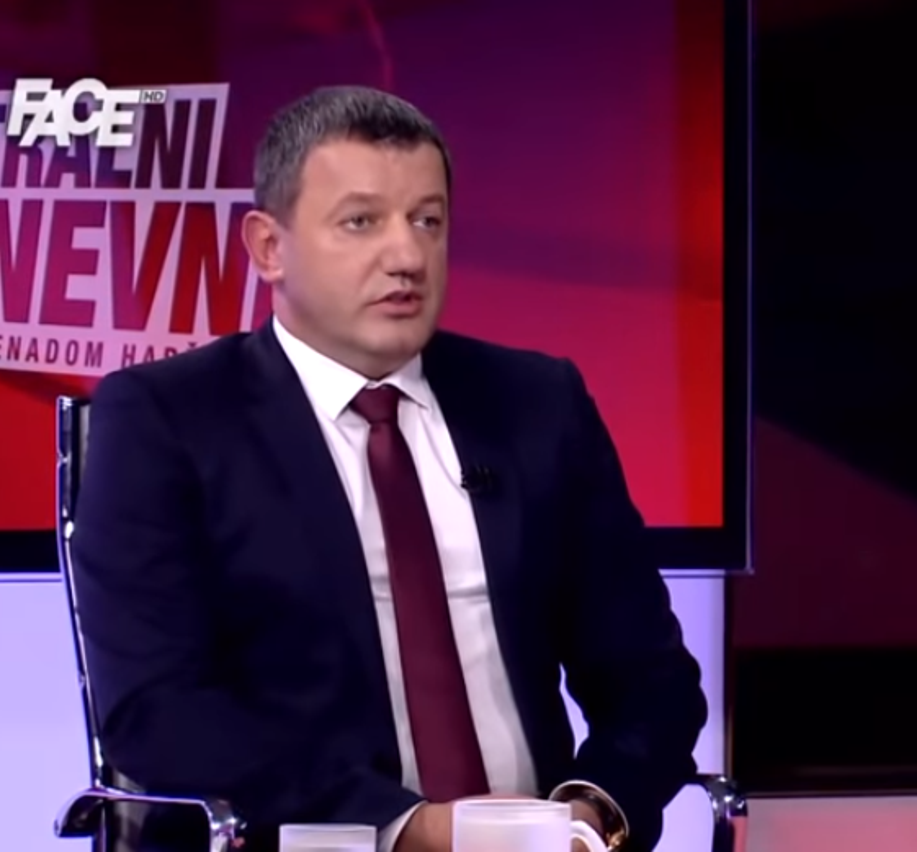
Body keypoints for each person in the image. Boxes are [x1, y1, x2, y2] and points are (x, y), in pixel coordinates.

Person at [71, 85, 707, 852]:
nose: (406, 256)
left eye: (427, 221)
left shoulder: (538, 403)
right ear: (269, 248)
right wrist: (406, 828)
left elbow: (652, 680)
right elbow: (157, 712)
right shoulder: (168, 418)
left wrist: (591, 809)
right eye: (361, 222)